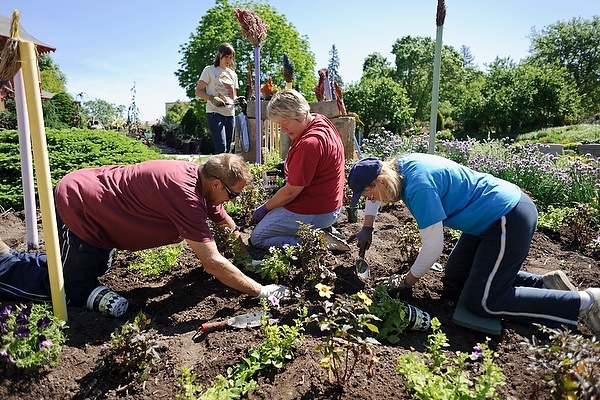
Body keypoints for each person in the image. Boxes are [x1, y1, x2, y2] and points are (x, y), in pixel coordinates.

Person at [0, 154, 291, 317]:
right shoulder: (185, 195)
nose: (233, 201)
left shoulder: (200, 181)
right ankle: (5, 268)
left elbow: (219, 215)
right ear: (216, 183)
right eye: (232, 195)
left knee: (97, 267)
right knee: (70, 291)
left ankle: (18, 259)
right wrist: (261, 291)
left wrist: (242, 249)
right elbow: (211, 262)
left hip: (99, 213)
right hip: (81, 208)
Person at [347, 153, 600, 335]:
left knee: (484, 301)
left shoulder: (418, 188)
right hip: (489, 217)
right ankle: (545, 285)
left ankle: (586, 302)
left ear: (380, 181)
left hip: (506, 218)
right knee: (457, 275)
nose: (371, 200)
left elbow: (434, 247)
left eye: (369, 194)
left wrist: (406, 281)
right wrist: (367, 226)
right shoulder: (398, 167)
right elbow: (374, 196)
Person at [249, 89, 346, 249]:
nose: (283, 129)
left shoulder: (309, 145)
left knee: (258, 238)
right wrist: (287, 166)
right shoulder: (320, 121)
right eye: (280, 124)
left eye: (285, 122)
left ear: (300, 114)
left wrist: (265, 208)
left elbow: (290, 193)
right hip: (330, 206)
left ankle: (317, 243)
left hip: (315, 210)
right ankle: (321, 230)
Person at [195, 42, 239, 154]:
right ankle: (214, 171)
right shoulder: (209, 70)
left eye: (230, 57)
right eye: (226, 57)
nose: (228, 60)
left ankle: (224, 172)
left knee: (228, 150)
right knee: (221, 147)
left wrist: (239, 101)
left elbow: (234, 96)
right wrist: (212, 98)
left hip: (230, 114)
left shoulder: (233, 74)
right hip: (214, 113)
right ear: (220, 55)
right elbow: (198, 91)